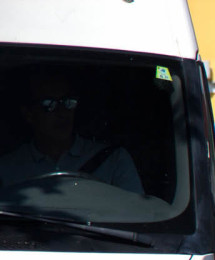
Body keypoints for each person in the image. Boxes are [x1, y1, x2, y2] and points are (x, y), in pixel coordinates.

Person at [0, 69, 142, 193]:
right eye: (49, 104)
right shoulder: (7, 169)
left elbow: (136, 216)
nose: (62, 112)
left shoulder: (113, 160)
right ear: (28, 114)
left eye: (68, 102)